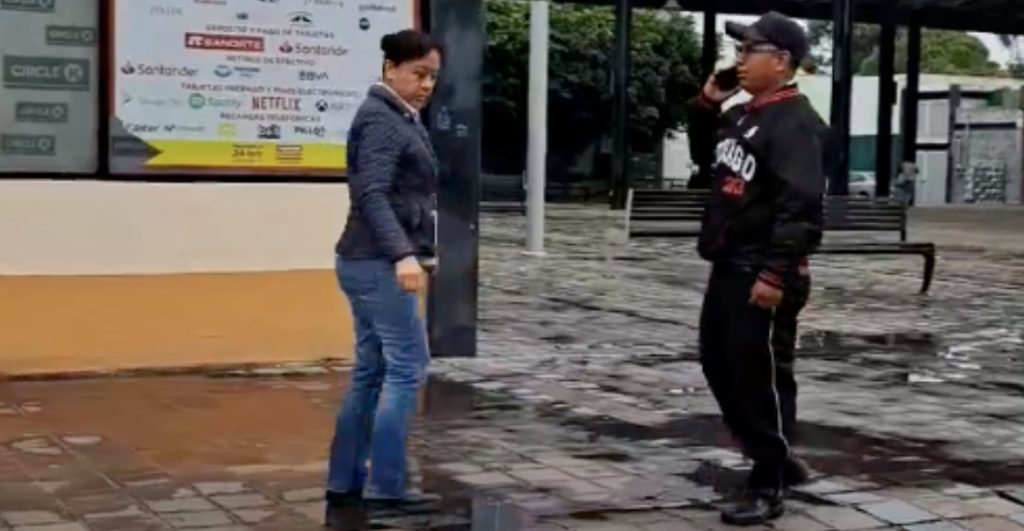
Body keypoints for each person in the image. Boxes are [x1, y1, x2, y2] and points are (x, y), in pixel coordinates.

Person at [687, 12, 826, 526]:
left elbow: (800, 207)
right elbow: (705, 156)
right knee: (718, 364)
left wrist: (774, 274)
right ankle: (776, 456)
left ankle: (768, 480)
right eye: (739, 50)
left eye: (750, 50)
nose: (740, 60)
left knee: (757, 377)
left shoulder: (796, 123)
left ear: (781, 61)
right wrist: (707, 104)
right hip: (729, 263)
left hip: (764, 271)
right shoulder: (744, 115)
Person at [324, 29, 442, 520]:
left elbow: (405, 196)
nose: (427, 84)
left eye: (433, 76)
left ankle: (346, 481)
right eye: (418, 73)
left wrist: (420, 248)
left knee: (372, 371)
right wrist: (402, 255)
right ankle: (386, 485)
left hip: (367, 259)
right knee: (407, 366)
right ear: (390, 69)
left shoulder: (398, 115)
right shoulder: (382, 119)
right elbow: (370, 194)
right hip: (375, 262)